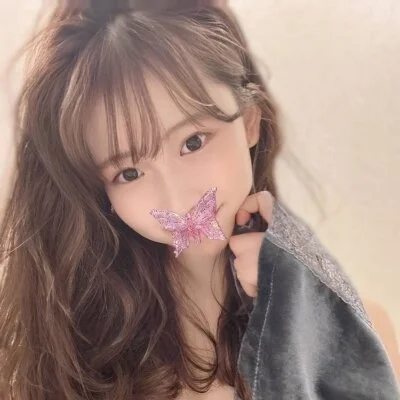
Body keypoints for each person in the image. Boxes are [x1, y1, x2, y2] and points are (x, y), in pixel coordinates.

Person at [0, 1, 399, 399]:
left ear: (250, 121)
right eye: (130, 173)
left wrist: (300, 306)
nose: (177, 198)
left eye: (193, 142)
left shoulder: (360, 336)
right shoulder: (70, 369)